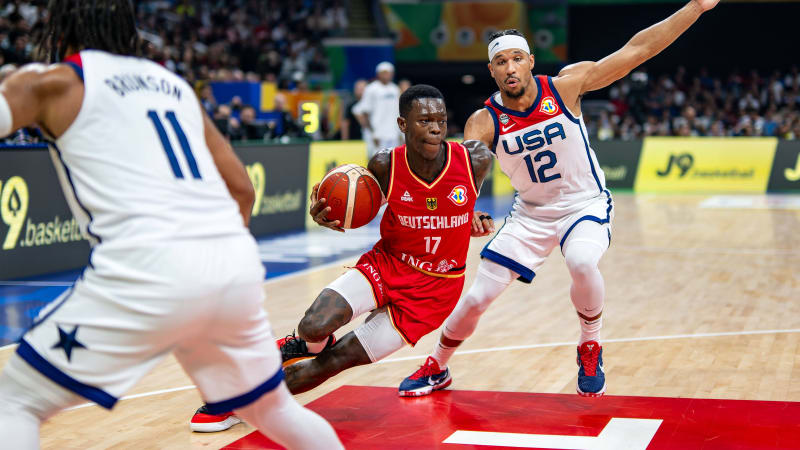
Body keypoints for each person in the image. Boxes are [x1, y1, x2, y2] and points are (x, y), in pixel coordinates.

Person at [0, 1, 342, 448]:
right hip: (231, 267)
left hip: (150, 267)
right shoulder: (172, 85)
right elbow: (242, 189)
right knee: (271, 408)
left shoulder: (54, 82)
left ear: (60, 27)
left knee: (16, 403)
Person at [398, 0, 721, 398]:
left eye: (517, 58)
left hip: (584, 204)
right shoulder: (484, 121)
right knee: (477, 297)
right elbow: (462, 175)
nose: (510, 67)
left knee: (583, 261)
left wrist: (695, 7)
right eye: (501, 62)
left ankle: (590, 343)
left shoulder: (566, 87)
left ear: (531, 61)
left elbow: (638, 50)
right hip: (530, 215)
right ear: (492, 70)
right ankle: (437, 367)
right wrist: (469, 208)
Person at [190, 84, 495, 431]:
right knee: (313, 326)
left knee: (335, 361)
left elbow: (464, 199)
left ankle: (244, 402)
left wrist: (470, 216)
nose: (436, 127)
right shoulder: (384, 164)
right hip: (388, 264)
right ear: (403, 124)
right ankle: (301, 344)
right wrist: (328, 215)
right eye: (424, 120)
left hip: (432, 293)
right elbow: (361, 207)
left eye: (440, 119)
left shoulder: (475, 160)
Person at [353, 61, 403, 158]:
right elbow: (364, 112)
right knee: (376, 161)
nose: (386, 75)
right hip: (377, 135)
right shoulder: (371, 89)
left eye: (388, 72)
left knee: (393, 161)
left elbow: (398, 112)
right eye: (383, 72)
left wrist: (400, 133)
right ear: (378, 74)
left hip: (393, 134)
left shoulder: (395, 89)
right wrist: (372, 134)